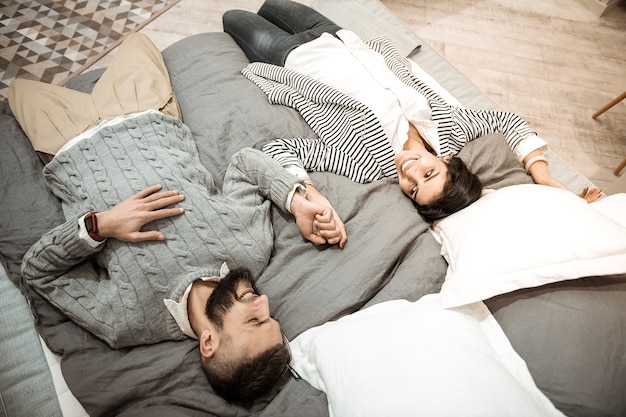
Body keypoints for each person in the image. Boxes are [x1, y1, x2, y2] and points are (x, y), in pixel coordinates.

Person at [10, 33, 342, 406]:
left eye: (254, 320)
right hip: (149, 112)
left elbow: (38, 272)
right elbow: (245, 164)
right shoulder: (251, 250)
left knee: (18, 87)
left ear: (209, 342)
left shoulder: (126, 321)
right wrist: (296, 200)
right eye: (270, 317)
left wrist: (99, 226)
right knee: (136, 37)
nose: (264, 302)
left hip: (67, 142)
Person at [223, 0, 602, 226]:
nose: (410, 174)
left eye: (413, 190)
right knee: (273, 4)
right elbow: (507, 122)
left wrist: (305, 197)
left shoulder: (367, 164)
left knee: (233, 17)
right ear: (448, 160)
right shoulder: (452, 128)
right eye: (428, 173)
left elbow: (283, 150)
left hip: (294, 58)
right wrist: (544, 175)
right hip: (343, 39)